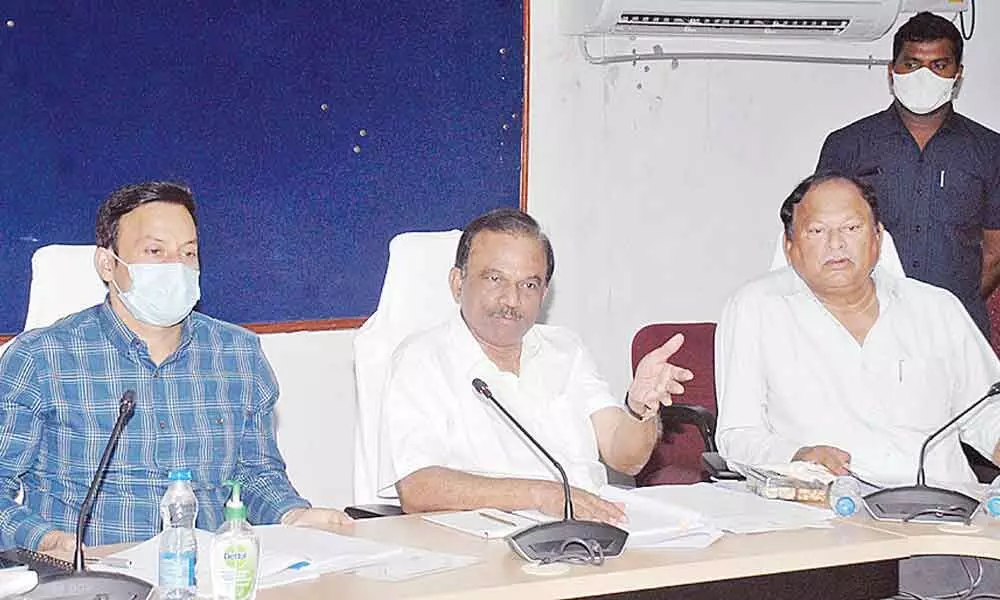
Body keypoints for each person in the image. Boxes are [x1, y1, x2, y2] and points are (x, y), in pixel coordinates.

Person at [0, 181, 349, 557]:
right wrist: (47, 542)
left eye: (188, 253)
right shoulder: (41, 358)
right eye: (155, 251)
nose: (176, 267)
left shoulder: (238, 354)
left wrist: (292, 515)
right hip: (92, 577)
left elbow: (255, 474)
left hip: (209, 577)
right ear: (107, 264)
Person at [716, 172, 1000, 597]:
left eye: (851, 228)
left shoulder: (937, 309)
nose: (836, 244)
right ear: (790, 247)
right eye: (817, 231)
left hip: (949, 524)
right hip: (831, 529)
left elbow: (988, 415)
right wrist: (796, 455)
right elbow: (736, 436)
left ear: (878, 237)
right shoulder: (757, 309)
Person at [380, 208, 693, 523]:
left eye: (528, 285)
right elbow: (418, 488)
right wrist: (543, 495)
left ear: (544, 293)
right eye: (494, 279)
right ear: (457, 283)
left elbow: (625, 459)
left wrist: (641, 410)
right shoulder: (421, 359)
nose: (512, 300)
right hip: (485, 548)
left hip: (587, 536)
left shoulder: (566, 349)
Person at [816, 11, 1000, 340]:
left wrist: (944, 306)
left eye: (939, 65)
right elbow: (823, 242)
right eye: (912, 64)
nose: (923, 76)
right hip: (866, 331)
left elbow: (994, 253)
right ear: (892, 71)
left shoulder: (990, 151)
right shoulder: (847, 145)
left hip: (957, 333)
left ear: (957, 75)